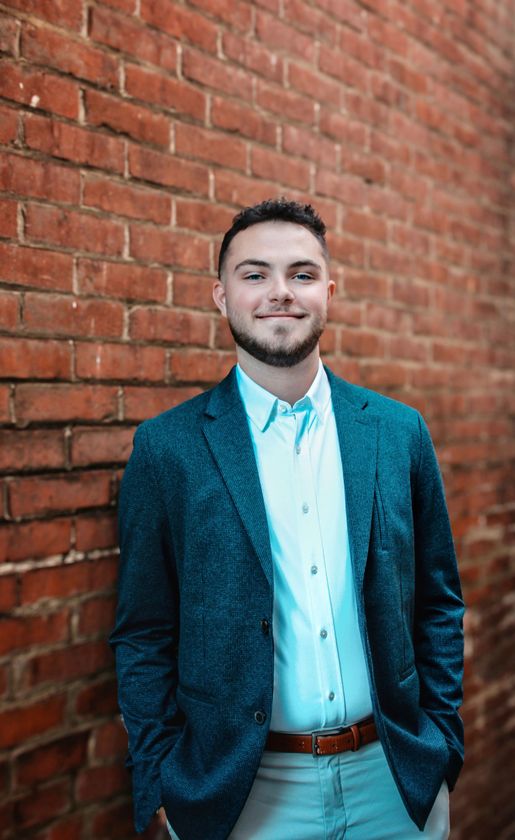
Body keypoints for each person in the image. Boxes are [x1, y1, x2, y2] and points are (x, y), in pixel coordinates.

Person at [110, 198, 464, 840]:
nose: (280, 292)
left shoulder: (396, 432)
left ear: (328, 290)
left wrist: (442, 747)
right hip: (240, 798)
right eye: (255, 275)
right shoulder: (169, 449)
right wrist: (161, 782)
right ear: (222, 297)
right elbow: (143, 632)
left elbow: (438, 603)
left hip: (394, 783)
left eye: (301, 274)